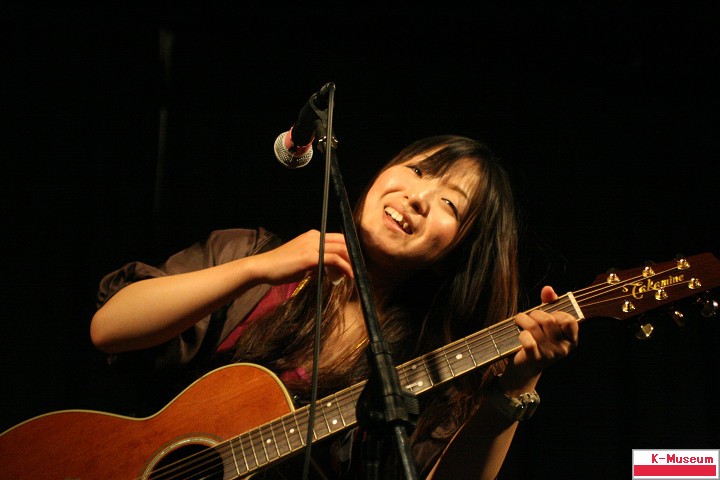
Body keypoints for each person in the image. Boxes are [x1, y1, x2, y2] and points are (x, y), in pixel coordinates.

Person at [90, 134, 579, 479]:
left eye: (450, 204)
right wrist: (258, 268)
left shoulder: (430, 367)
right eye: (417, 170)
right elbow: (109, 328)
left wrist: (516, 388)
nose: (418, 197)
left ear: (461, 252)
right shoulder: (250, 253)